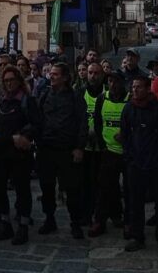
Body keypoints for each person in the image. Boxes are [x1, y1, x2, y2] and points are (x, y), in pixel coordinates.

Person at [120, 74, 158, 252]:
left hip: (157, 164)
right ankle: (137, 236)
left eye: (139, 87)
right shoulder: (129, 109)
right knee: (135, 202)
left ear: (148, 89)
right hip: (136, 163)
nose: (135, 90)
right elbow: (125, 134)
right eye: (133, 87)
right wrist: (129, 156)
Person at [36, 61, 88, 239]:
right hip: (47, 149)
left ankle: (75, 223)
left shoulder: (75, 97)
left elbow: (82, 124)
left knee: (73, 189)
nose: (51, 76)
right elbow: (38, 119)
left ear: (65, 77)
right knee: (47, 187)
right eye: (51, 73)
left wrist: (79, 147)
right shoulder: (44, 95)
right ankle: (49, 219)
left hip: (67, 150)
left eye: (56, 74)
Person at [0, 65, 39, 245]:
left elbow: (36, 123)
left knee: (22, 190)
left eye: (12, 80)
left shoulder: (27, 100)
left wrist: (24, 135)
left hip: (20, 154)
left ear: (18, 81)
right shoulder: (1, 102)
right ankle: (5, 223)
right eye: (6, 81)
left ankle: (23, 225)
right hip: (1, 152)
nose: (9, 83)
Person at [90, 71, 127, 237]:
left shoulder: (130, 99)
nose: (113, 85)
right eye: (110, 81)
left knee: (129, 189)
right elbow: (98, 123)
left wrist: (126, 135)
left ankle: (128, 220)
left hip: (127, 152)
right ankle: (100, 220)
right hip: (108, 151)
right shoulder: (102, 98)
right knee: (105, 187)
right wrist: (102, 144)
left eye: (116, 81)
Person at [80, 62, 106, 226]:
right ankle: (86, 213)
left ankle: (101, 214)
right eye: (90, 72)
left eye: (96, 73)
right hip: (84, 146)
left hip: (103, 147)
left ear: (102, 75)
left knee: (101, 183)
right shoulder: (80, 92)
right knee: (85, 183)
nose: (93, 76)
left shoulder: (107, 93)